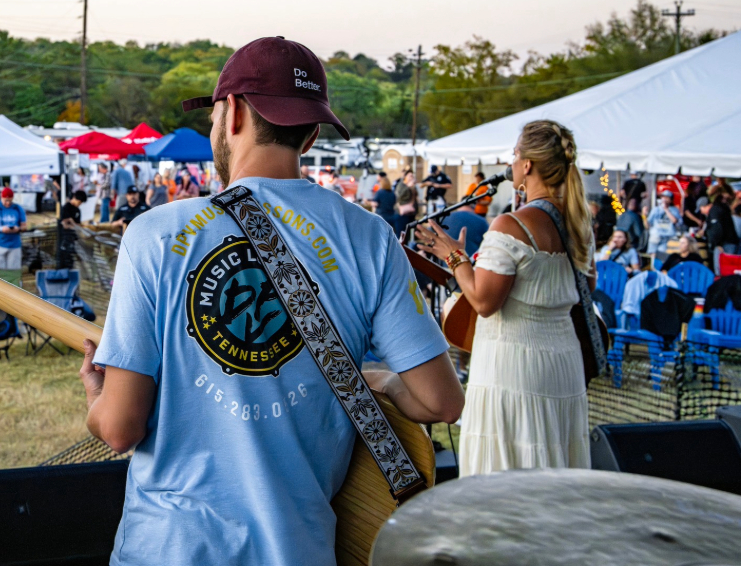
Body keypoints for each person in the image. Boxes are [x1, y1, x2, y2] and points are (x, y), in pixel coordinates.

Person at [80, 37, 463, 566]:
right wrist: (379, 379)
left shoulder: (155, 234)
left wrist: (96, 397)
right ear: (310, 133)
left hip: (167, 549)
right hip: (299, 550)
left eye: (214, 116)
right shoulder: (369, 237)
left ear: (233, 112)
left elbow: (120, 428)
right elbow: (441, 403)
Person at [416, 119, 594, 478]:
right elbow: (580, 289)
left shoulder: (512, 225)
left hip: (515, 365)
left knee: (507, 473)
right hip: (563, 363)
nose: (510, 163)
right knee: (553, 465)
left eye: (514, 155)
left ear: (526, 165)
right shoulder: (578, 223)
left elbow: (484, 302)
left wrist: (454, 256)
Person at [0, 187, 27, 271]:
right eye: (6, 201)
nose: (8, 203)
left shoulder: (18, 208)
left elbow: (24, 226)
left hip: (14, 245)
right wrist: (1, 229)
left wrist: (18, 229)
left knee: (13, 273)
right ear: (1, 197)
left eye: (10, 201)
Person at [645, 191, 682, 255]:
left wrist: (666, 209)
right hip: (656, 235)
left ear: (671, 200)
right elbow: (648, 224)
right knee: (653, 254)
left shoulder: (674, 210)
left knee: (664, 255)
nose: (664, 199)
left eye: (667, 197)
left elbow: (675, 221)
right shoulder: (655, 209)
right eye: (663, 197)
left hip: (668, 237)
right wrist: (644, 215)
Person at [56, 190, 86, 269]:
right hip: (64, 239)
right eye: (79, 202)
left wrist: (75, 225)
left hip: (73, 239)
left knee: (71, 262)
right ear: (75, 198)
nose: (79, 204)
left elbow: (78, 224)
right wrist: (74, 225)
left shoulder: (77, 211)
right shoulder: (65, 208)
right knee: (62, 261)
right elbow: (65, 224)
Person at [393, 171, 418, 236]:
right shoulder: (401, 185)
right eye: (410, 176)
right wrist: (408, 187)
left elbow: (415, 197)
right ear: (405, 177)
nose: (411, 178)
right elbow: (399, 196)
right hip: (401, 213)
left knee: (407, 235)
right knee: (400, 234)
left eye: (412, 176)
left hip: (410, 213)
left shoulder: (413, 186)